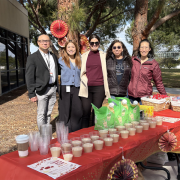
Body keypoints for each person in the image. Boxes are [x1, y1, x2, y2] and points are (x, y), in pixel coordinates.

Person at [25, 34, 59, 130]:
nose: (45, 42)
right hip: (41, 90)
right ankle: (42, 136)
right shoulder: (32, 57)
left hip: (52, 89)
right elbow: (29, 76)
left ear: (50, 43)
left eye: (47, 41)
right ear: (38, 43)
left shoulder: (53, 56)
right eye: (42, 41)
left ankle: (46, 134)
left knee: (48, 113)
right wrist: (31, 93)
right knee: (41, 114)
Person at [79, 34, 110, 128]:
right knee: (86, 112)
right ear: (89, 44)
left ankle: (94, 134)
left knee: (97, 112)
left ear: (99, 44)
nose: (94, 45)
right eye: (92, 43)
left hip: (99, 88)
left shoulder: (104, 56)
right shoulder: (83, 56)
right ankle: (84, 135)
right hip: (86, 87)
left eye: (96, 43)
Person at [128, 39, 167, 104]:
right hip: (130, 96)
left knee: (144, 114)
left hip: (145, 98)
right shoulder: (133, 60)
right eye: (142, 47)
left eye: (146, 47)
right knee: (131, 114)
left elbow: (158, 82)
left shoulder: (153, 64)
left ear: (149, 49)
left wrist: (165, 96)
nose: (144, 50)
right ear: (139, 49)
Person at [58, 41, 83, 132]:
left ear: (76, 49)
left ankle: (75, 131)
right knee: (65, 110)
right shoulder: (61, 60)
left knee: (77, 110)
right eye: (68, 47)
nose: (71, 49)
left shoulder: (80, 60)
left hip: (77, 88)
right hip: (65, 88)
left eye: (73, 47)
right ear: (65, 49)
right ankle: (65, 131)